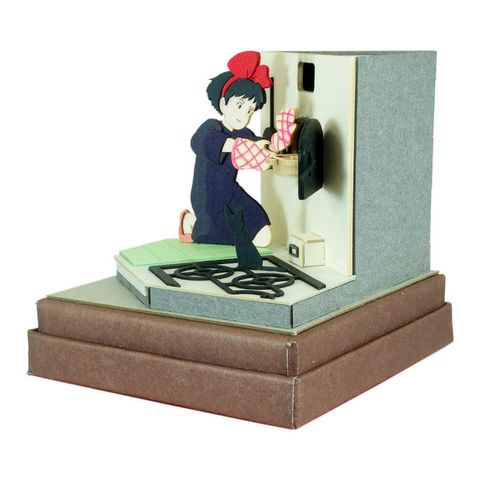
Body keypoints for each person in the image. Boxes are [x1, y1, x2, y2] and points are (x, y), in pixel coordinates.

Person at [179, 51, 296, 247]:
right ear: (223, 103)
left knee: (263, 236)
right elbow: (199, 142)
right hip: (208, 195)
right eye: (239, 105)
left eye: (249, 110)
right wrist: (238, 147)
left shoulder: (243, 133)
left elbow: (261, 145)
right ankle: (189, 222)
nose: (244, 115)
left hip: (231, 193)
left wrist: (278, 141)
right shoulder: (211, 127)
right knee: (211, 234)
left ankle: (201, 224)